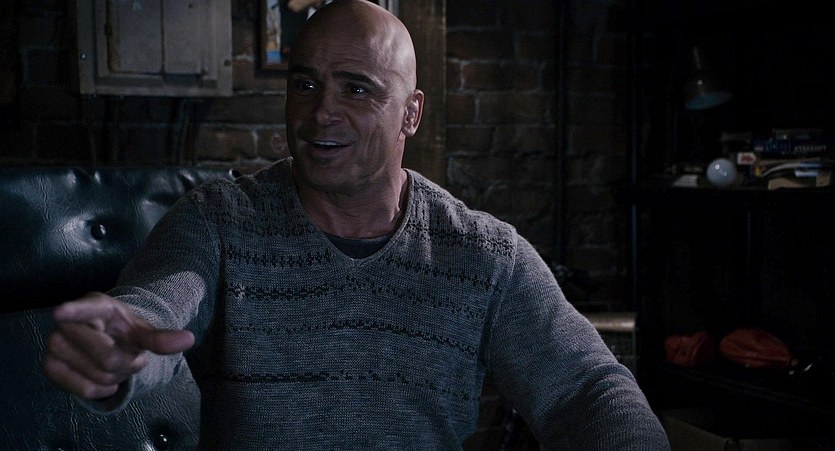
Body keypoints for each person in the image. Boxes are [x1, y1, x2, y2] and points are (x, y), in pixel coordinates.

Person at [43, 0, 671, 449]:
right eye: (305, 84)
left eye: (357, 89)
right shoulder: (219, 220)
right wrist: (118, 349)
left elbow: (585, 387)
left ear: (411, 114)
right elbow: (156, 309)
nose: (321, 112)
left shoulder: (481, 254)